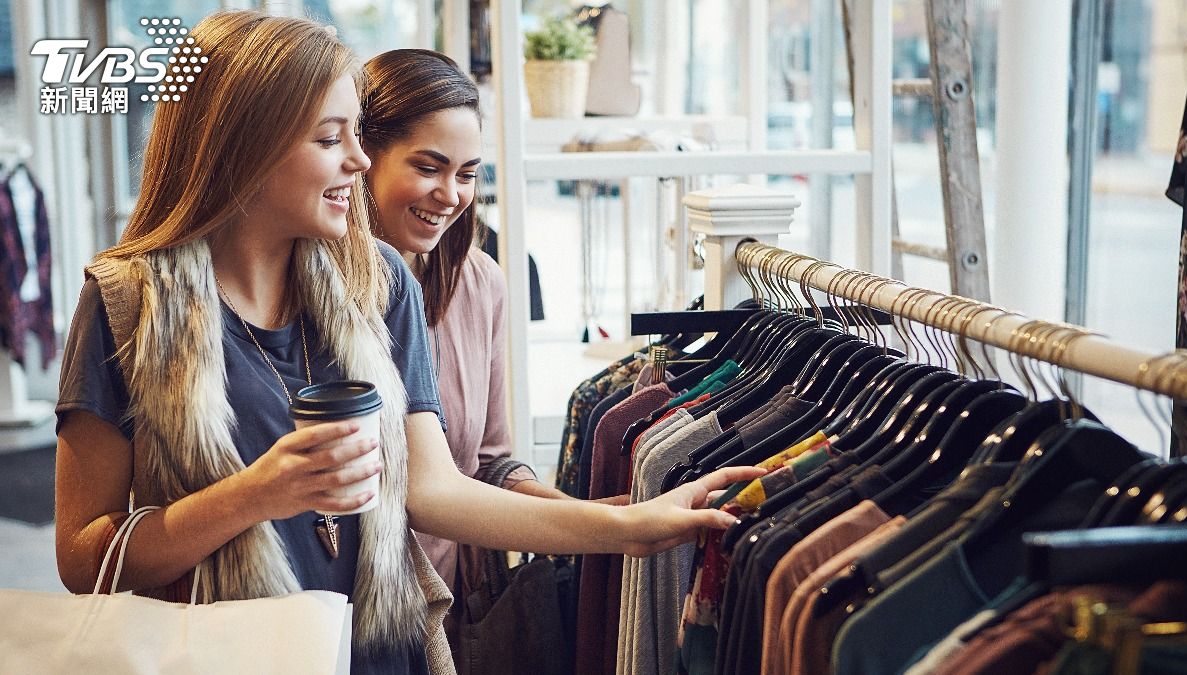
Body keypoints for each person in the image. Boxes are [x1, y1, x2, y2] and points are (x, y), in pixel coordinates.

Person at [52, 10, 761, 675]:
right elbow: (83, 557)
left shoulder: (378, 278)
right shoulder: (127, 303)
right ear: (244, 147)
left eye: (357, 134)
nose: (359, 162)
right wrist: (254, 495)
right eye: (331, 138)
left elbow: (436, 490)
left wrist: (634, 524)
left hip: (385, 652)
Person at [359, 49, 610, 599]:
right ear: (364, 155)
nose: (450, 196)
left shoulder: (479, 284)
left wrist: (592, 517)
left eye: (466, 174)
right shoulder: (312, 287)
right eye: (428, 168)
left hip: (441, 606)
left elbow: (489, 463)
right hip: (336, 609)